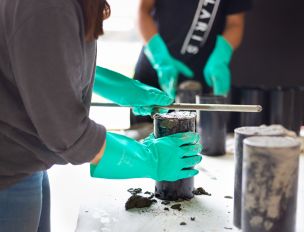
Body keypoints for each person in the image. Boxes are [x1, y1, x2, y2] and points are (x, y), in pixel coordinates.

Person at [0, 0, 202, 231]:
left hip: (26, 159)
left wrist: (110, 84)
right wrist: (149, 158)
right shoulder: (49, 6)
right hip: (7, 174)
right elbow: (68, 134)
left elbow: (42, 59)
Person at [134, 0, 252, 100]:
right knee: (146, 125)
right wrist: (160, 58)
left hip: (199, 77)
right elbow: (142, 11)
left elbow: (235, 23)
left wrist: (221, 56)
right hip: (154, 72)